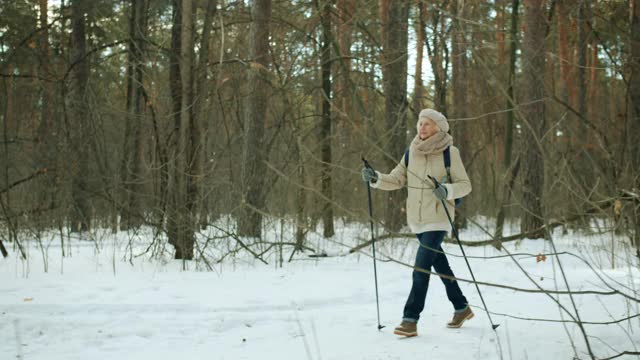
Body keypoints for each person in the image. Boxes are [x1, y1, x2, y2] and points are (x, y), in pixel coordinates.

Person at [361, 108, 473, 337]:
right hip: (417, 219)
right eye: (420, 123)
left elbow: (465, 185)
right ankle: (461, 307)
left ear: (439, 128)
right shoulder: (411, 152)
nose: (421, 127)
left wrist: (447, 190)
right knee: (440, 264)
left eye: (427, 124)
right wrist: (376, 178)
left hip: (439, 218)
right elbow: (396, 179)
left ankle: (410, 319)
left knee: (421, 267)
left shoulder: (450, 152)